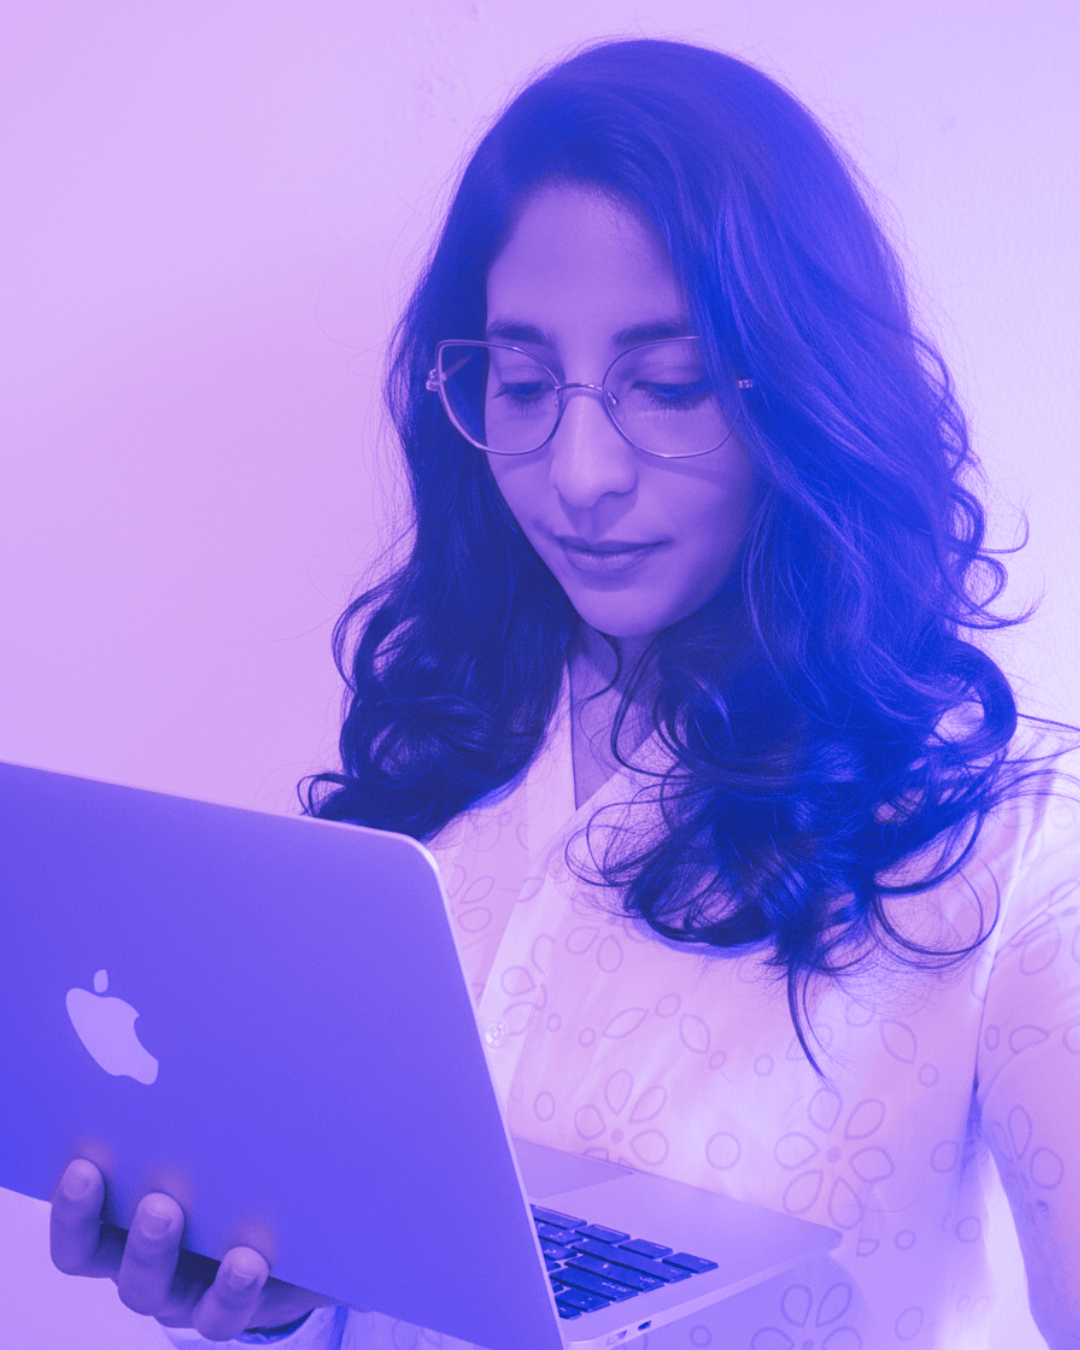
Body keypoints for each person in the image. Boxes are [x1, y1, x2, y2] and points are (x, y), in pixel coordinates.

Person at [49, 37, 1080, 1350]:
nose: (578, 470)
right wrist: (273, 1290)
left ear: (808, 391)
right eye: (524, 385)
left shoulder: (1016, 842)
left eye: (669, 381)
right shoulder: (440, 778)